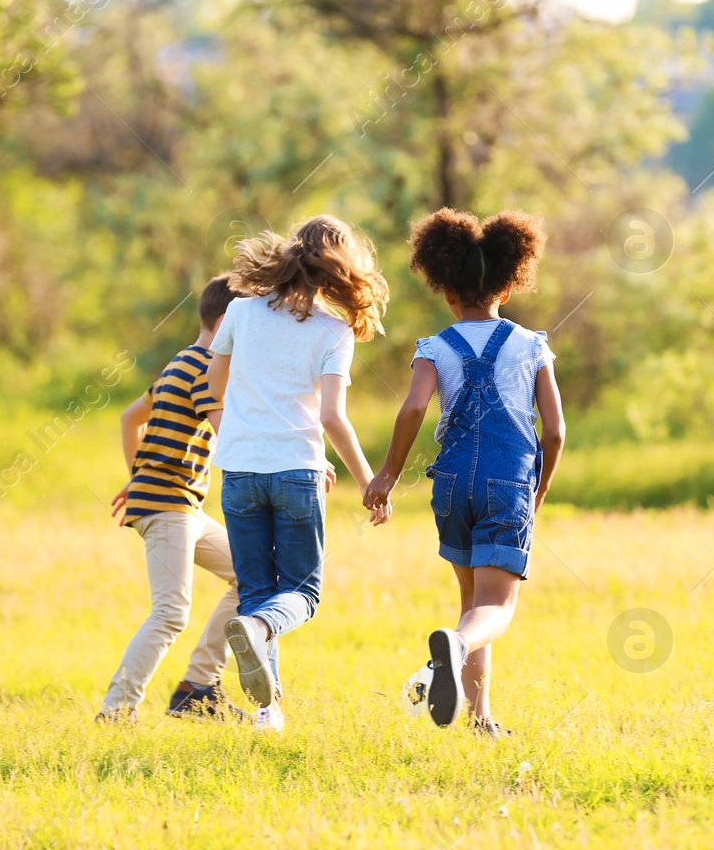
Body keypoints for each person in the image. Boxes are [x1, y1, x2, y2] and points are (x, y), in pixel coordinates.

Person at [364, 208, 564, 739]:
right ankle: (453, 648)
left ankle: (481, 719)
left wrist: (386, 474)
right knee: (496, 607)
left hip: (451, 485)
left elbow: (411, 410)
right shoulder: (532, 346)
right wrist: (539, 488)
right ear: (508, 284)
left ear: (447, 291)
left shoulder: (435, 348)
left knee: (471, 603)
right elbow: (556, 430)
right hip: (507, 481)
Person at [207, 214, 392, 732]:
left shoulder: (240, 313)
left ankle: (268, 710)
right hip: (296, 474)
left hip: (240, 471)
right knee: (302, 595)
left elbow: (212, 390)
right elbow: (332, 416)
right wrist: (368, 481)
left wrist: (244, 426)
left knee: (257, 589)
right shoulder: (334, 332)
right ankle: (260, 634)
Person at [99, 275, 247, 724]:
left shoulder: (178, 362)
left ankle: (198, 689)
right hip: (170, 506)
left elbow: (131, 419)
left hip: (181, 506)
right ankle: (116, 711)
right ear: (225, 325)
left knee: (253, 574)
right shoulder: (208, 369)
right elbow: (233, 439)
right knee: (169, 614)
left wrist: (139, 474)